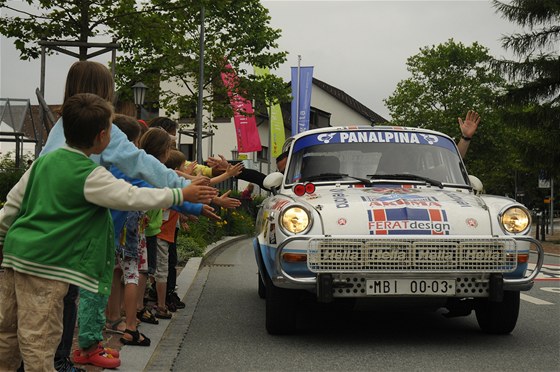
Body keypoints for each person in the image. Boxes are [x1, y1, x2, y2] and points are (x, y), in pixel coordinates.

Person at [0, 93, 217, 371]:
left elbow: (12, 204)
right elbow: (131, 196)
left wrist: (4, 239)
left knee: (7, 332)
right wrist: (179, 193)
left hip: (15, 257)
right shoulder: (89, 173)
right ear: (104, 137)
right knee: (39, 339)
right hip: (47, 265)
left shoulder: (42, 163)